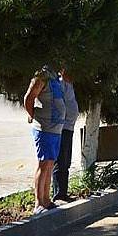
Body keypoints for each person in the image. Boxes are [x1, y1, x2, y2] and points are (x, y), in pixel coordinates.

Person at [24, 66, 66, 215]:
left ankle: (46, 200)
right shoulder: (41, 76)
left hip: (55, 130)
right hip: (44, 129)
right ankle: (38, 203)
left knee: (50, 164)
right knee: (43, 164)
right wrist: (34, 115)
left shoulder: (55, 77)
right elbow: (28, 98)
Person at [51, 68, 79, 202]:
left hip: (69, 127)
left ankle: (63, 192)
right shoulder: (60, 83)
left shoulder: (69, 84)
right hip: (62, 127)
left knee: (66, 162)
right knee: (60, 161)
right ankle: (58, 194)